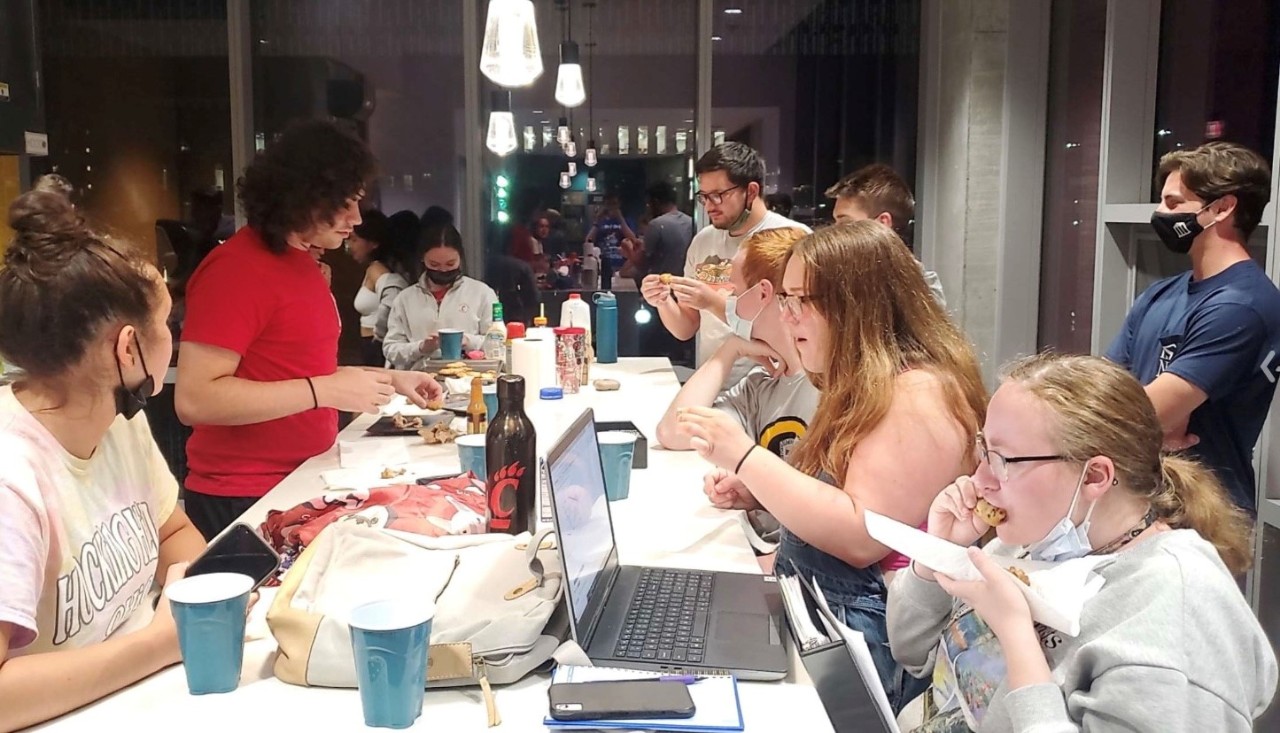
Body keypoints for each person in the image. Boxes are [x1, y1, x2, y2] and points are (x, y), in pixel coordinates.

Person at [675, 221, 986, 711]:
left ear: (855, 304)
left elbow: (862, 538)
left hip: (873, 647)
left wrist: (747, 458)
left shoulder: (919, 394)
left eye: (802, 300)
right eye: (785, 299)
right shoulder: (869, 380)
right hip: (827, 614)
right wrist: (761, 492)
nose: (789, 316)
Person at [888, 353, 1276, 731]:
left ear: (1094, 477)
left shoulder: (1178, 615)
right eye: (984, 450)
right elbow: (912, 652)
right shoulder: (1032, 539)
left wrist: (1016, 635)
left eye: (1004, 459)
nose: (980, 480)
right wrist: (939, 556)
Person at [176, 119, 443, 540]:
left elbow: (298, 366)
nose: (356, 218)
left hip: (301, 477)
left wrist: (391, 379)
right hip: (244, 494)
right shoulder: (235, 270)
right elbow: (194, 398)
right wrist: (324, 391)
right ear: (304, 197)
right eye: (346, 203)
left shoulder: (301, 261)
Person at [0, 191, 207, 730]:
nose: (175, 337)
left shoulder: (119, 421)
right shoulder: (11, 478)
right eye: (166, 323)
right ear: (128, 348)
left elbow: (172, 531)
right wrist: (160, 644)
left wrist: (205, 595)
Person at [1107, 142, 1280, 515]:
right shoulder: (1160, 293)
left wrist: (1148, 414)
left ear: (1221, 208)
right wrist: (1146, 416)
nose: (1159, 213)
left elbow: (1144, 416)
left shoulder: (1242, 305)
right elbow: (1104, 392)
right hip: (1140, 501)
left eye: (1172, 203)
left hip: (1204, 512)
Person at [641, 143, 809, 389]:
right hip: (713, 383)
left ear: (751, 191)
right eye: (704, 196)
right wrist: (663, 301)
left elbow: (796, 324)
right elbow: (686, 328)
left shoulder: (792, 238)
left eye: (718, 195)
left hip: (774, 385)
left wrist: (711, 301)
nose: (709, 205)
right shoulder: (704, 240)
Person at [656, 227, 814, 459]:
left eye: (735, 291)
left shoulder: (827, 387)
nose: (728, 301)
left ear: (763, 293)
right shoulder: (761, 383)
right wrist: (730, 349)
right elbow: (674, 433)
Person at [826, 163, 946, 307]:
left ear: (882, 223)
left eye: (845, 223)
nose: (834, 232)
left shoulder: (921, 294)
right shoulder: (838, 278)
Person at [383, 223, 500, 370]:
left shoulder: (481, 293)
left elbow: (498, 343)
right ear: (422, 259)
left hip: (469, 378)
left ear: (460, 258)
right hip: (419, 380)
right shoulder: (405, 299)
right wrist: (421, 347)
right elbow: (391, 349)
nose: (443, 270)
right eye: (434, 264)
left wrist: (468, 341)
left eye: (450, 264)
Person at [347, 210, 413, 366]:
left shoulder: (378, 270)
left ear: (373, 243)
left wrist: (380, 335)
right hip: (370, 343)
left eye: (355, 240)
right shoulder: (373, 268)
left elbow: (393, 299)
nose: (350, 246)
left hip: (376, 345)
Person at [636, 181, 695, 286]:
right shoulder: (691, 222)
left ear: (655, 202)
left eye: (648, 204)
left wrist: (631, 252)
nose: (648, 208)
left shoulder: (656, 225)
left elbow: (643, 265)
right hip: (686, 285)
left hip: (661, 287)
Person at [585, 193, 638, 281]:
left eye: (614, 204)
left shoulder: (627, 221)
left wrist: (620, 219)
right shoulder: (598, 222)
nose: (611, 207)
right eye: (608, 204)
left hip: (621, 266)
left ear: (619, 204)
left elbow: (633, 240)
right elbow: (588, 242)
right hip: (602, 265)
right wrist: (597, 221)